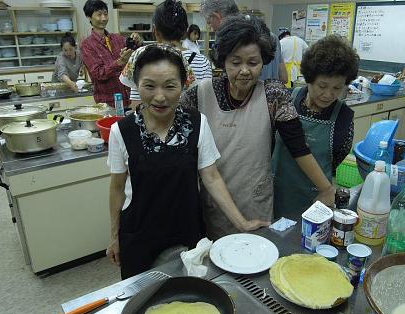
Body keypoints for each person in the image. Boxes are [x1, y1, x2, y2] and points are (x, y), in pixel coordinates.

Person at [107, 44, 268, 279]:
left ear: (183, 85)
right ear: (136, 85)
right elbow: (117, 187)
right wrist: (114, 236)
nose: (160, 97)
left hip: (187, 229)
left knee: (190, 296)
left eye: (170, 86)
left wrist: (241, 223)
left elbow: (211, 177)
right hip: (139, 232)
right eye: (149, 86)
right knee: (142, 299)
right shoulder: (121, 131)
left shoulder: (197, 123)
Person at [180, 15, 335, 239]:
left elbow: (298, 146)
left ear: (263, 61)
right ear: (223, 60)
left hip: (256, 200)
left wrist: (326, 188)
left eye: (253, 63)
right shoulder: (200, 93)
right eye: (235, 62)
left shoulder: (273, 94)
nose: (245, 70)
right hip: (214, 201)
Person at [272, 35, 359, 219]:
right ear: (309, 78)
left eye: (337, 88)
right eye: (322, 85)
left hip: (316, 200)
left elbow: (336, 158)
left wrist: (325, 189)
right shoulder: (286, 101)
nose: (328, 94)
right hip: (275, 193)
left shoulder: (344, 117)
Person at [121, 0, 212, 109]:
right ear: (185, 31)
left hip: (150, 124)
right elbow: (205, 103)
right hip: (189, 123)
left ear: (154, 30)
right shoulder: (203, 62)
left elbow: (136, 106)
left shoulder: (140, 55)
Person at [200, 0, 288, 83]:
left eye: (209, 22)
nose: (211, 28)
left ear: (217, 16)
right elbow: (284, 78)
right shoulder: (272, 37)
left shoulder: (229, 41)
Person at [80, 0, 142, 108]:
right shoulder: (87, 45)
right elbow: (98, 73)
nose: (103, 18)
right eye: (99, 15)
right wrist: (120, 62)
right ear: (89, 17)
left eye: (105, 14)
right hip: (108, 104)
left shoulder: (118, 38)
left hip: (129, 100)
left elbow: (138, 54)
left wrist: (137, 42)